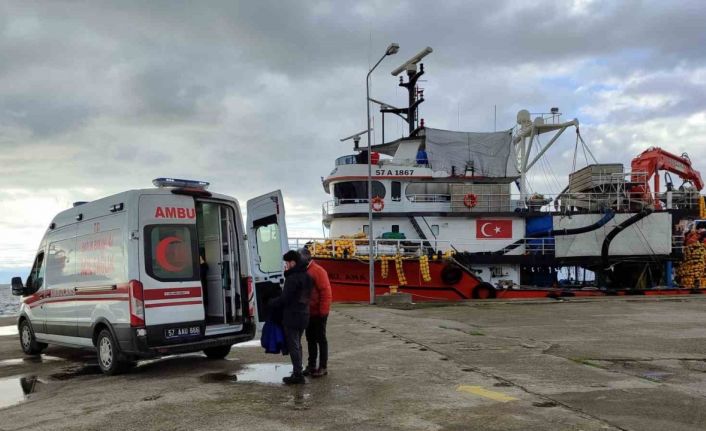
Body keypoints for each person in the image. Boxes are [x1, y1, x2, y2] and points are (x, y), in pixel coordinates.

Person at [269, 250, 312, 385]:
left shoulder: (292, 278)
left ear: (293, 262)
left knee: (294, 346)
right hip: (304, 315)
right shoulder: (307, 276)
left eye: (287, 263)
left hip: (292, 316)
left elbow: (285, 299)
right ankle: (298, 371)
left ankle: (298, 375)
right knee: (298, 344)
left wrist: (271, 302)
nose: (286, 266)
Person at [300, 247, 332, 378]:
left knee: (321, 339)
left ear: (306, 258)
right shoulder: (305, 270)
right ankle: (311, 365)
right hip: (309, 312)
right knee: (310, 339)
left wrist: (323, 312)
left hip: (319, 312)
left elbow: (326, 292)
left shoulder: (318, 271)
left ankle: (323, 367)